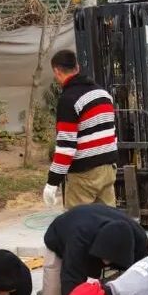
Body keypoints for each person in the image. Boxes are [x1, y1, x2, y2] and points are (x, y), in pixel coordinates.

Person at [42, 50, 119, 210]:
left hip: (84, 176)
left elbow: (66, 148)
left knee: (78, 227)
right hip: (108, 170)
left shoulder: (69, 100)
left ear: (56, 71)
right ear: (77, 67)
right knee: (108, 224)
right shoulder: (103, 94)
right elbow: (111, 133)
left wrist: (52, 182)